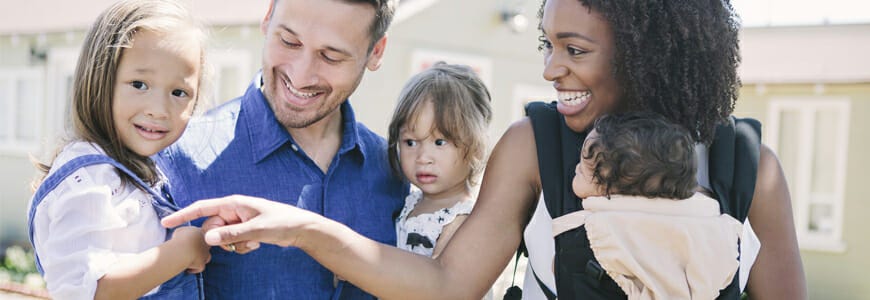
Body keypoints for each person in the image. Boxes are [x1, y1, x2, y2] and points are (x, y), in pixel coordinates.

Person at [162, 0, 808, 299]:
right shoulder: (535, 144)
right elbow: (446, 285)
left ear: (647, 50)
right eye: (546, 46)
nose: (553, 69)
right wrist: (301, 228)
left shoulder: (750, 167)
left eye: (575, 50)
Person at [153, 0, 408, 298]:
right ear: (268, 17)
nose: (300, 76)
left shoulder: (397, 172)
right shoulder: (175, 158)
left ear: (375, 52)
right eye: (289, 41)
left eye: (331, 56)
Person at [27, 0, 210, 299]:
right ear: (100, 81)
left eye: (179, 92)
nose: (159, 109)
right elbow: (88, 292)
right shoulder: (90, 178)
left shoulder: (147, 169)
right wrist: (182, 251)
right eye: (139, 84)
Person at [552, 111, 743, 299]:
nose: (577, 168)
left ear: (614, 187)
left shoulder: (595, 229)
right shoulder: (712, 225)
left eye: (585, 168)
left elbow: (561, 267)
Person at [388, 62, 493, 258]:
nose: (423, 158)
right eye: (410, 142)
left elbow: (437, 282)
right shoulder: (409, 201)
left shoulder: (461, 220)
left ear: (476, 147)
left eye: (439, 142)